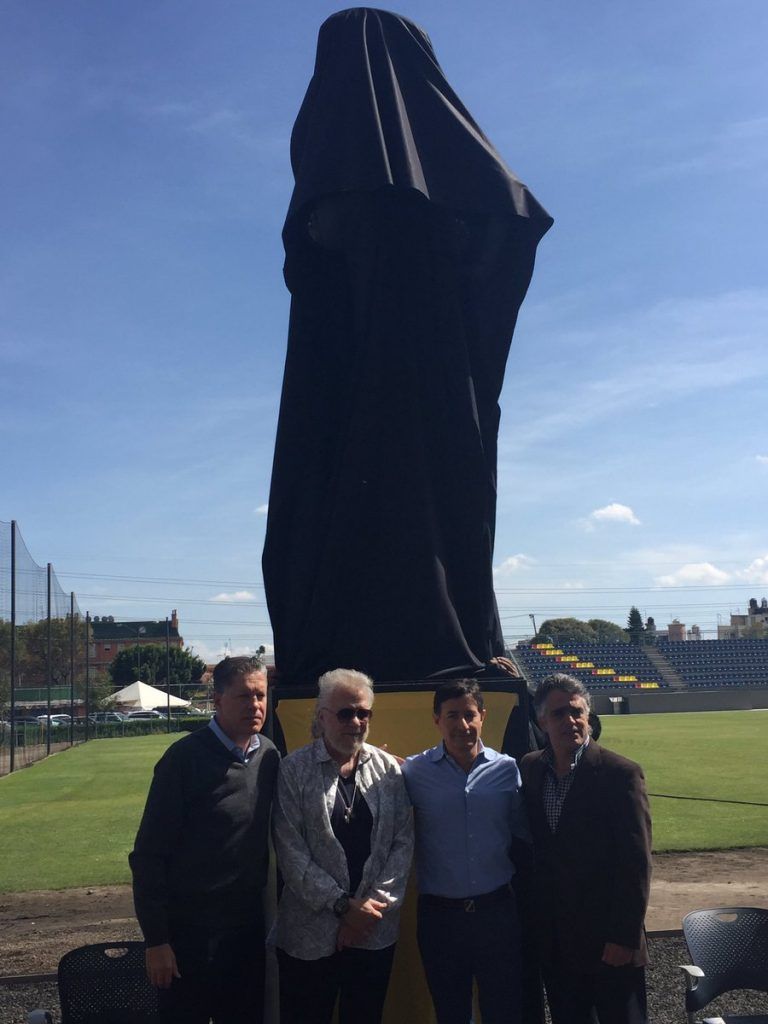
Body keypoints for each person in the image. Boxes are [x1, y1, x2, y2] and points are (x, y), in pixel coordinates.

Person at [262, 8, 553, 685]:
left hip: (362, 398)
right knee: (431, 502)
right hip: (428, 398)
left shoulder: (327, 192)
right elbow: (509, 224)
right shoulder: (458, 185)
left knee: (338, 504)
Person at [129, 656, 279, 1024]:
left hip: (246, 933)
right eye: (244, 696)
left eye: (260, 695)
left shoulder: (270, 756)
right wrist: (157, 941)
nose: (255, 705)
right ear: (217, 699)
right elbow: (148, 856)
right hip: (188, 937)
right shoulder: (183, 760)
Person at [271, 668, 413, 1024]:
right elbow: (291, 851)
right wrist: (341, 907)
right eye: (345, 713)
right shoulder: (293, 770)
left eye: (363, 712)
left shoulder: (387, 771)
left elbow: (402, 844)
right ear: (322, 717)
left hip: (372, 930)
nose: (355, 721)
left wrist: (366, 913)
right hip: (308, 934)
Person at [520, 673, 652, 1024]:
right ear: (541, 721)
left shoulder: (620, 773)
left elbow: (635, 862)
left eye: (577, 712)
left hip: (610, 942)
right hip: (558, 943)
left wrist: (624, 936)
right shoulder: (531, 769)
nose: (571, 721)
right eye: (559, 713)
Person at [401, 679, 530, 1024]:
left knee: (503, 1008)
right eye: (452, 715)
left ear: (483, 716)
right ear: (437, 720)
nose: (462, 725)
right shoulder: (414, 771)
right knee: (450, 1011)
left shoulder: (507, 769)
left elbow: (523, 832)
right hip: (440, 918)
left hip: (497, 913)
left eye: (469, 714)